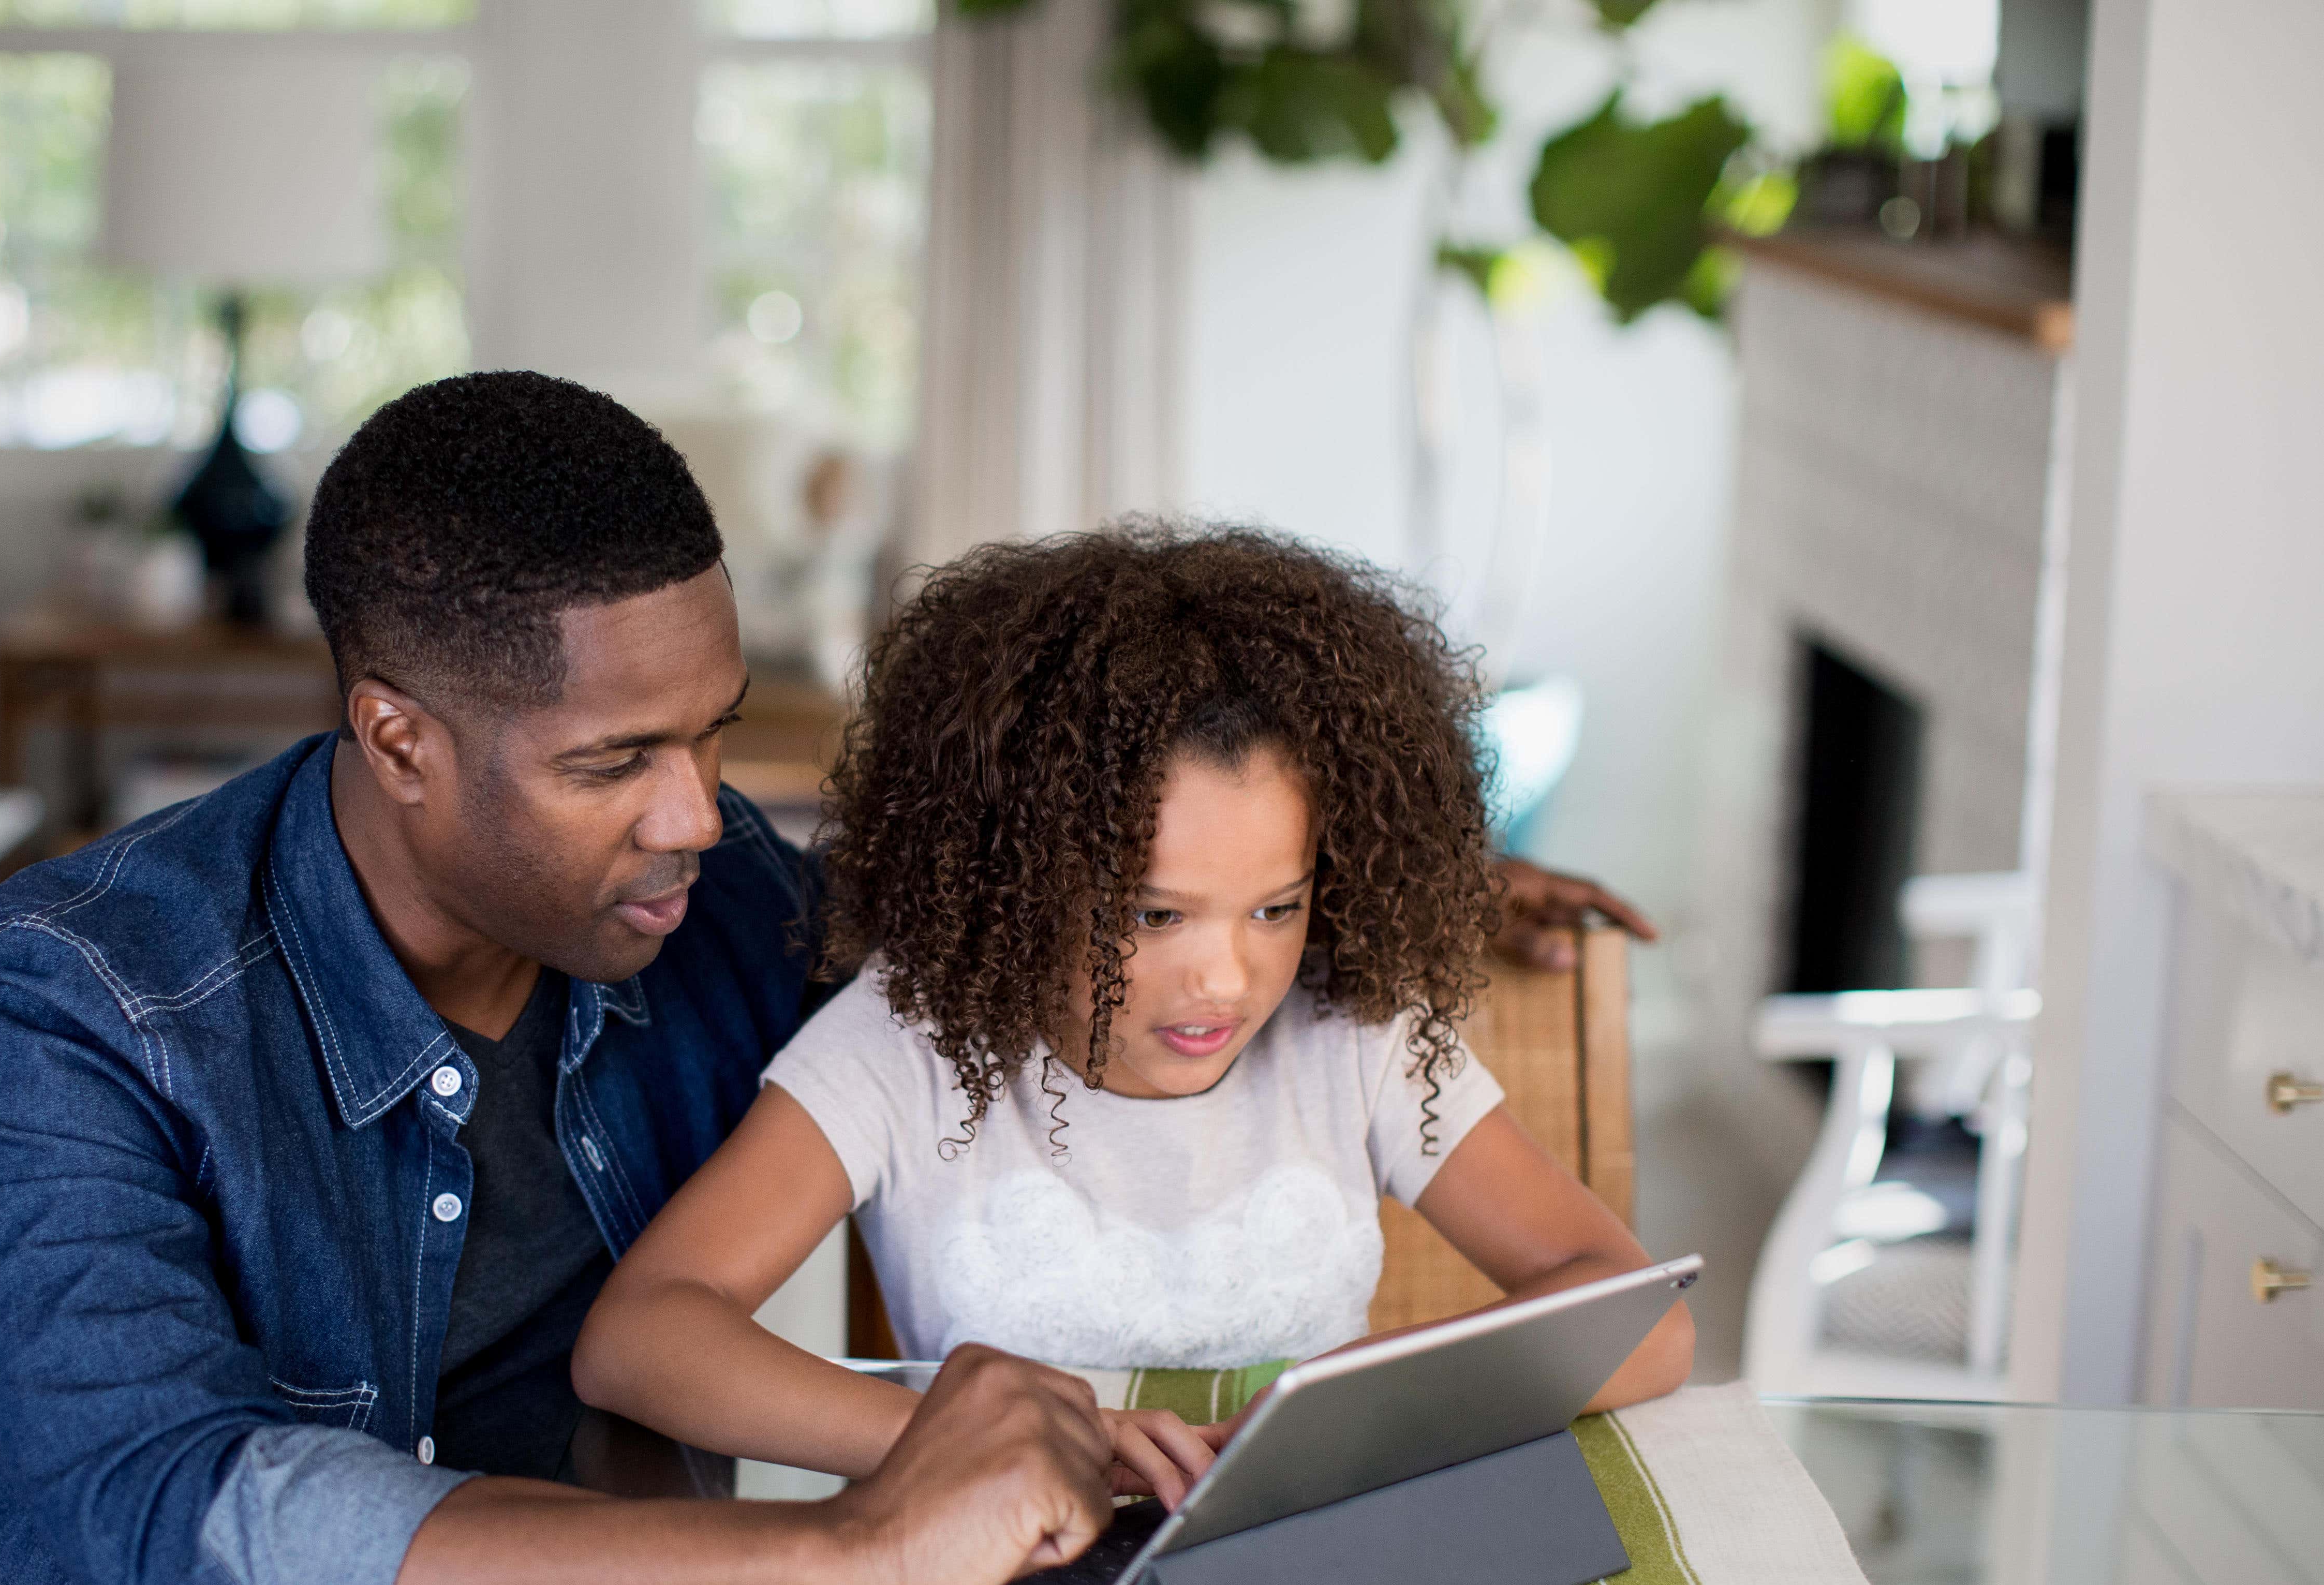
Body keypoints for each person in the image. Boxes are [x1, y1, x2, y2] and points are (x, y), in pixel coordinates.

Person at [0, 374, 1657, 1585]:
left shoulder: (705, 895)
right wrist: (848, 1553)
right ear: (395, 734)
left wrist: (1343, 894)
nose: (694, 810)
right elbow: (209, 1536)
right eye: (616, 760)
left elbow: (1029, 902)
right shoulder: (72, 996)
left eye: (717, 731)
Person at [572, 526, 1692, 1503]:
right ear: (1012, 877)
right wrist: (984, 1436)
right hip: (998, 1563)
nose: (1225, 979)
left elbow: (1648, 1321)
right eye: (1154, 915)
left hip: (1302, 1541)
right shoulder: (906, 1049)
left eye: (1274, 907)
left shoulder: (1356, 1039)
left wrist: (1339, 1416)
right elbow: (643, 1340)